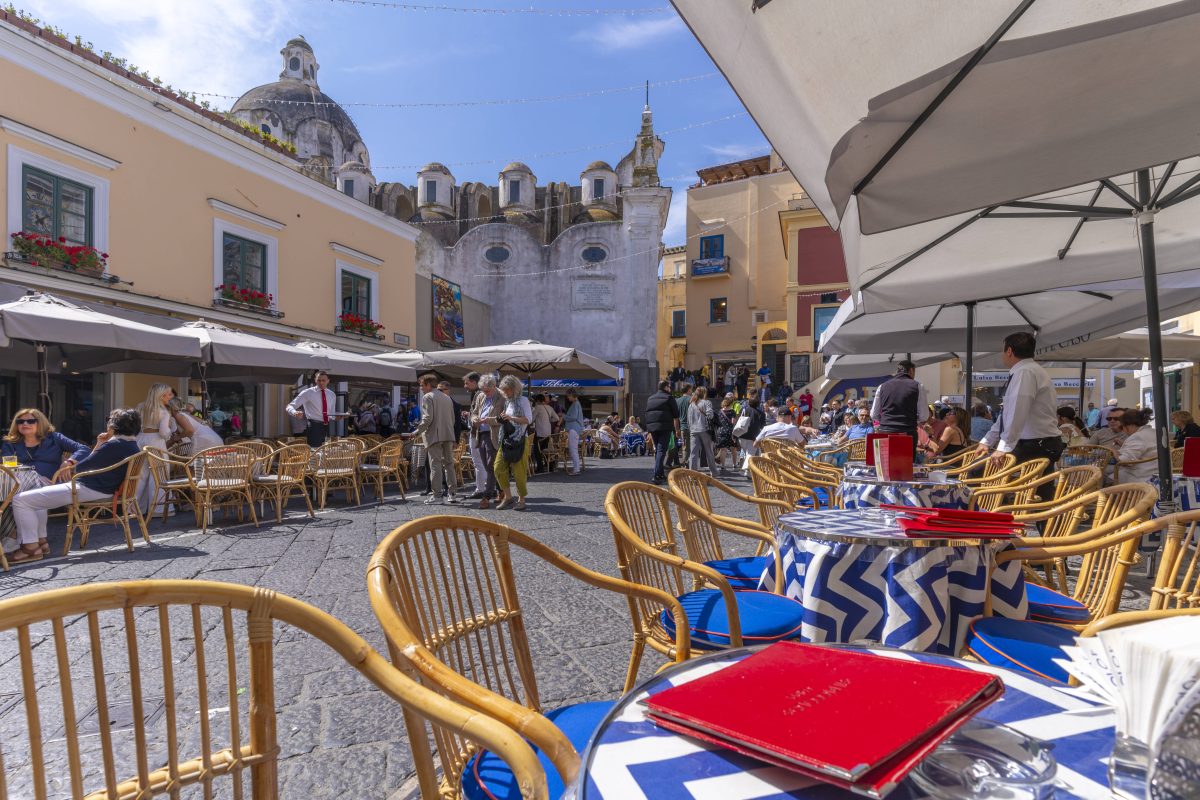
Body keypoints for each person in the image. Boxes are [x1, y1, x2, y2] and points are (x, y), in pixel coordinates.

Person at [9, 408, 141, 563]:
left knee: (20, 500)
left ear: (113, 426)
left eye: (108, 420)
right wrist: (100, 443)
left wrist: (98, 446)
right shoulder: (130, 445)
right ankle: (41, 543)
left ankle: (30, 549)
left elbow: (82, 467)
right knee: (35, 496)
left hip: (89, 488)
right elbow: (90, 464)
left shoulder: (114, 445)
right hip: (101, 488)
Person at [974, 332, 1065, 501]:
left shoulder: (1025, 372)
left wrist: (1003, 447)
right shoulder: (1029, 370)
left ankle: (986, 518)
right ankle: (1043, 525)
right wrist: (988, 440)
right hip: (1041, 442)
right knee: (1041, 495)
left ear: (1009, 351)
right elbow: (1008, 413)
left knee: (976, 472)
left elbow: (1017, 411)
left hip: (1035, 443)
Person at [2, 408, 91, 561]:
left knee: (30, 492)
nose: (25, 424)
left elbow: (84, 449)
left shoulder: (54, 438)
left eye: (30, 421)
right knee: (29, 490)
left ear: (40, 422)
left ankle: (28, 542)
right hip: (19, 483)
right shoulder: (11, 443)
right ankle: (40, 541)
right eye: (20, 421)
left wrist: (69, 462)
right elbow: (6, 465)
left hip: (52, 483)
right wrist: (33, 475)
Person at [410, 374, 459, 505]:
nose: (421, 388)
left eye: (421, 385)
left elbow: (427, 419)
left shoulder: (428, 397)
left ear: (428, 384)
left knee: (435, 465)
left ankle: (437, 495)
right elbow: (452, 419)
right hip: (448, 434)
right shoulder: (447, 398)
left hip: (434, 435)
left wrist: (416, 432)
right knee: (449, 464)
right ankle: (452, 493)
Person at [490, 375, 533, 510]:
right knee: (498, 467)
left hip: (520, 439)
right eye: (503, 390)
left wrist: (511, 418)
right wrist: (502, 418)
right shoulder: (508, 402)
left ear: (514, 388)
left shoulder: (523, 400)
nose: (505, 393)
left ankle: (521, 499)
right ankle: (508, 497)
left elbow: (528, 420)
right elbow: (508, 419)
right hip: (506, 439)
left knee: (519, 471)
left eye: (507, 390)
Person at [870, 361, 929, 455]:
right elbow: (924, 416)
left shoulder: (882, 386)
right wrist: (912, 419)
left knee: (885, 464)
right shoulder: (918, 386)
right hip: (907, 431)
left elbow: (874, 415)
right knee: (905, 465)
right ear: (911, 371)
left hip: (885, 431)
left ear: (897, 371)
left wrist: (886, 421)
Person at [137, 383, 177, 515]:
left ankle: (136, 509)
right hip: (156, 441)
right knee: (158, 475)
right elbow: (164, 432)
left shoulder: (140, 407)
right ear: (161, 396)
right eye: (168, 394)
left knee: (139, 475)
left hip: (140, 439)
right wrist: (171, 429)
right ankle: (158, 509)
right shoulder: (163, 412)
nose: (170, 397)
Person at [287, 371, 340, 448]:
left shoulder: (332, 394)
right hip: (313, 425)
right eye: (319, 380)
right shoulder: (308, 392)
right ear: (315, 380)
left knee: (325, 451)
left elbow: (331, 413)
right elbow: (290, 406)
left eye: (323, 380)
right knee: (314, 452)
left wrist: (336, 417)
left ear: (328, 381)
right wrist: (294, 412)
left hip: (327, 426)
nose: (321, 382)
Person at [470, 375, 500, 508]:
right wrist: (474, 419)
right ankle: (501, 490)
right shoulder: (481, 396)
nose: (485, 393)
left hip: (493, 433)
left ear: (494, 386)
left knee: (490, 464)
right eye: (483, 390)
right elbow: (474, 412)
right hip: (480, 433)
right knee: (487, 465)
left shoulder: (502, 397)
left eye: (487, 391)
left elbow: (505, 417)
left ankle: (487, 496)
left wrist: (490, 420)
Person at [643, 380, 682, 484]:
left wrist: (649, 430)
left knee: (658, 451)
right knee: (661, 451)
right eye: (669, 387)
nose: (670, 389)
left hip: (652, 427)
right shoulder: (669, 397)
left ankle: (660, 474)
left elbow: (647, 413)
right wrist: (677, 429)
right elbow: (676, 414)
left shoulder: (650, 398)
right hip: (665, 427)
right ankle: (656, 475)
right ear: (666, 387)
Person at [1112, 409, 1157, 484]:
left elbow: (1125, 461)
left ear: (1129, 426)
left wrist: (1113, 450)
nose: (1123, 430)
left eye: (1122, 427)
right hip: (1155, 473)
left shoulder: (1137, 436)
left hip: (1140, 478)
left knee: (1103, 474)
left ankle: (1111, 495)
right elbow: (1144, 448)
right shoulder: (1153, 432)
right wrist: (1123, 444)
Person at [686, 386, 718, 478]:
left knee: (693, 453)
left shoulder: (691, 404)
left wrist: (691, 428)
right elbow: (710, 415)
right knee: (709, 452)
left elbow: (688, 419)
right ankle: (714, 472)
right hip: (704, 430)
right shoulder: (706, 402)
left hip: (693, 430)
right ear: (704, 393)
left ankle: (692, 474)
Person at [737, 396, 767, 471]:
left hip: (742, 434)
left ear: (748, 403)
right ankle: (746, 467)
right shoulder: (761, 413)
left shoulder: (743, 410)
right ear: (758, 404)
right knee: (750, 454)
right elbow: (762, 426)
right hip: (753, 436)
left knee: (747, 453)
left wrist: (734, 435)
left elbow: (738, 421)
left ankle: (748, 472)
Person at [561, 388, 584, 476]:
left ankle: (576, 469)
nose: (567, 398)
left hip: (573, 429)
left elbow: (573, 417)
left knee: (573, 449)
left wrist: (564, 416)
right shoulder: (576, 404)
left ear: (571, 395)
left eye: (568, 396)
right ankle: (576, 468)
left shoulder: (575, 404)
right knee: (573, 449)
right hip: (575, 429)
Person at [713, 397, 738, 474]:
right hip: (730, 432)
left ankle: (723, 466)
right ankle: (734, 464)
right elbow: (733, 422)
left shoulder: (720, 412)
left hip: (721, 432)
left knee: (723, 449)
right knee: (733, 448)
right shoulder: (732, 411)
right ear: (730, 404)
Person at [531, 394, 555, 473]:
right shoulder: (549, 407)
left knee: (536, 450)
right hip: (548, 432)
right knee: (546, 449)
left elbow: (531, 419)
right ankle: (551, 466)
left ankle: (540, 468)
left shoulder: (537, 408)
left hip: (540, 433)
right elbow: (556, 418)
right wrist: (547, 421)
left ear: (537, 400)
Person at [675, 385, 693, 466]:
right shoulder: (691, 400)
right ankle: (686, 464)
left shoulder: (677, 401)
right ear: (689, 390)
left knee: (685, 446)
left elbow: (675, 417)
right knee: (689, 447)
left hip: (682, 427)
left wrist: (677, 429)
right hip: (692, 427)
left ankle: (686, 463)